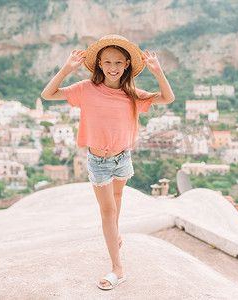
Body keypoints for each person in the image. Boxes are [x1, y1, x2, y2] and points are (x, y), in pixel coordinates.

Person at [41, 35, 175, 290]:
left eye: (118, 62)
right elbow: (47, 94)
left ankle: (115, 236)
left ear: (126, 64)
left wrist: (159, 72)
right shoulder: (85, 89)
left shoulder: (132, 94)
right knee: (108, 211)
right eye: (107, 62)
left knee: (118, 200)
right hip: (99, 161)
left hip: (123, 157)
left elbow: (167, 98)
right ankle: (117, 268)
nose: (112, 67)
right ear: (99, 65)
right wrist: (67, 68)